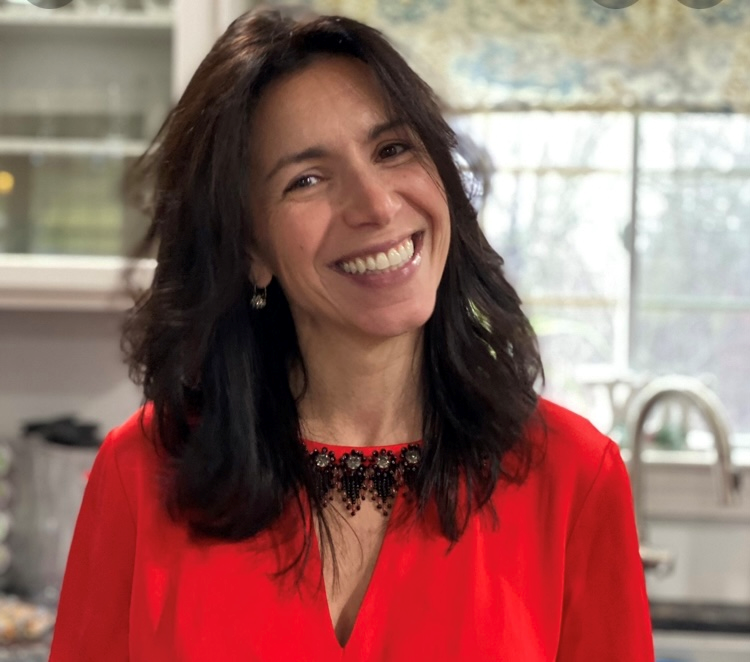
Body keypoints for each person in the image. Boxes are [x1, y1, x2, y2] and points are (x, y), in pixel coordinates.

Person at [49, 8, 654, 663]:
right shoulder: (139, 473)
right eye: (305, 179)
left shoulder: (574, 478)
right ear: (251, 246)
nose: (374, 204)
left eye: (392, 149)